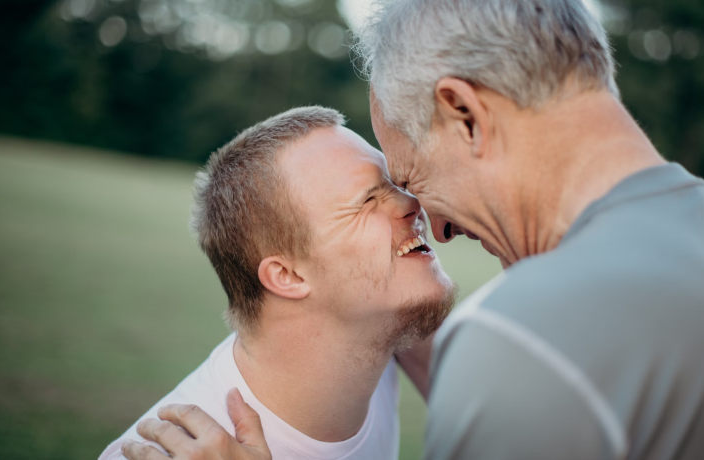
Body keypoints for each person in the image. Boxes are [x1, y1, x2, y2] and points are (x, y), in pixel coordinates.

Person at [124, 0, 704, 459]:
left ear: (464, 114)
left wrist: (499, 362)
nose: (433, 223)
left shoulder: (529, 340)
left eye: (412, 175)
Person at [105, 106, 455, 460]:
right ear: (287, 276)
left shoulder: (386, 326)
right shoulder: (168, 451)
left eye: (395, 183)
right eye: (367, 200)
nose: (412, 202)